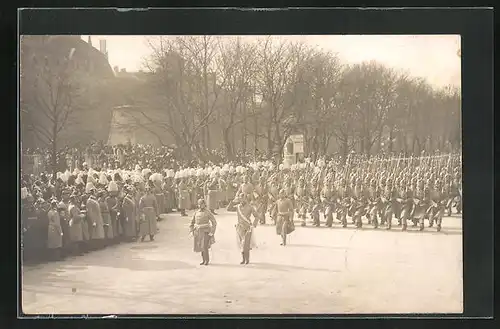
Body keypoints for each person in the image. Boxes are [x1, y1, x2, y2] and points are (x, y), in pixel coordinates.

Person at [189, 199, 217, 265]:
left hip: (206, 232)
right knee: (201, 247)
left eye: (202, 204)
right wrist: (191, 230)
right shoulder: (196, 212)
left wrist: (212, 232)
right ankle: (203, 260)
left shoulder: (208, 212)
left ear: (204, 204)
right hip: (198, 232)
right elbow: (192, 222)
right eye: (199, 204)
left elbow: (214, 222)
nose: (200, 205)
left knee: (205, 246)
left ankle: (206, 260)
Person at [235, 193, 260, 264]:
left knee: (246, 244)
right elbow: (230, 207)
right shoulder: (238, 207)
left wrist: (254, 225)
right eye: (240, 198)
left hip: (247, 227)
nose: (241, 200)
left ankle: (247, 259)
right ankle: (243, 259)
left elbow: (257, 216)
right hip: (239, 227)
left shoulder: (250, 207)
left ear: (246, 199)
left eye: (243, 198)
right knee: (241, 244)